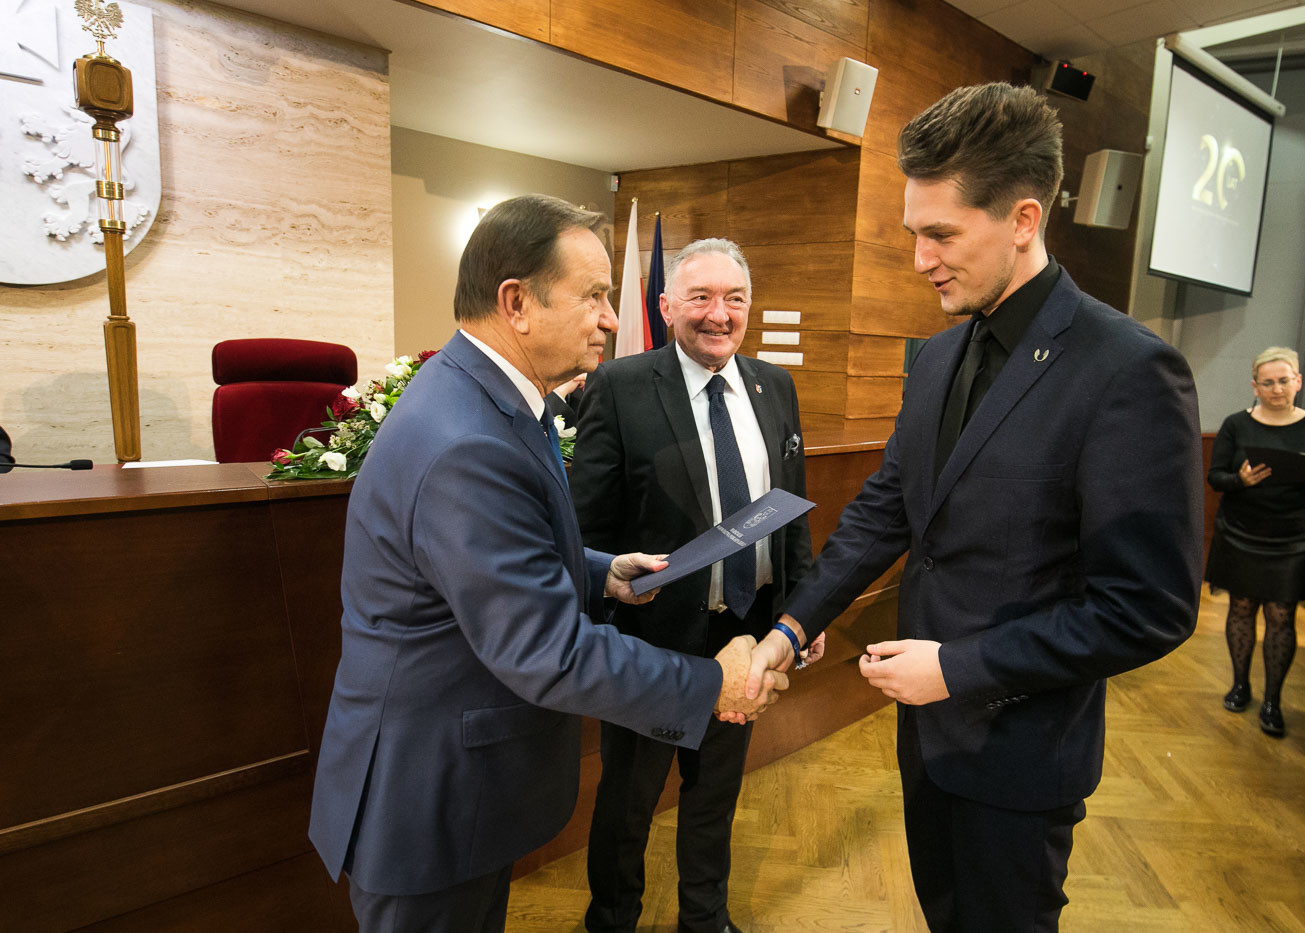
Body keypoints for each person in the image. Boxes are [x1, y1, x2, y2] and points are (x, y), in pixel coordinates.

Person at [744, 83, 1204, 932]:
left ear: (1024, 219)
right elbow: (887, 509)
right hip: (926, 739)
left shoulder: (1128, 369)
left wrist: (959, 667)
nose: (921, 259)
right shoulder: (936, 355)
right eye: (913, 234)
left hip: (1020, 752)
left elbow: (1150, 608)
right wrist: (791, 627)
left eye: (942, 234)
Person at [307, 194, 787, 932]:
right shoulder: (469, 440)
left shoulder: (488, 399)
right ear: (516, 303)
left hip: (455, 785)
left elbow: (490, 562)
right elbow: (547, 650)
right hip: (430, 796)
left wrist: (600, 572)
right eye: (593, 296)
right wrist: (709, 684)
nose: (611, 319)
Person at [570, 238, 819, 933]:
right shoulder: (619, 385)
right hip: (650, 640)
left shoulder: (775, 386)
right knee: (629, 802)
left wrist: (803, 610)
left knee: (715, 794)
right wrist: (611, 588)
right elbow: (584, 526)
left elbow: (791, 513)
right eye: (701, 297)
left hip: (745, 634)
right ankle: (612, 919)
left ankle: (704, 919)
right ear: (666, 305)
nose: (719, 314)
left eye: (735, 299)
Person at [1205, 346, 1305, 738]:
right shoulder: (1235, 424)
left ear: (1298, 382)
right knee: (1241, 608)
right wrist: (1240, 480)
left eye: (1283, 380)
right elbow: (1215, 477)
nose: (1276, 389)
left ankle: (1273, 701)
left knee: (1281, 616)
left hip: (1294, 538)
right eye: (1268, 382)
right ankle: (1240, 685)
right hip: (1241, 532)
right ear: (1255, 386)